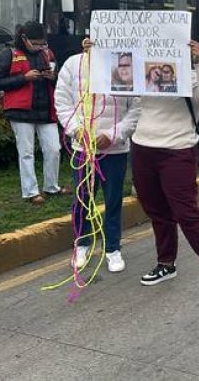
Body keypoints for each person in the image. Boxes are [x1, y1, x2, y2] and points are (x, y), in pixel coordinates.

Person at [131, 40, 199, 298]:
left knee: (186, 212)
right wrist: (96, 55)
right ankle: (166, 263)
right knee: (156, 211)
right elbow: (119, 93)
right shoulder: (142, 71)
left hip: (177, 150)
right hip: (143, 148)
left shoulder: (189, 76)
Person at [55, 39, 141, 273]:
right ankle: (82, 244)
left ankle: (113, 248)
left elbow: (136, 107)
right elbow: (62, 102)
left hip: (114, 151)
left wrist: (115, 134)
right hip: (83, 150)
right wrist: (76, 130)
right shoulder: (73, 65)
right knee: (82, 199)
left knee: (113, 201)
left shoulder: (125, 67)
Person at [0, 21, 69, 204]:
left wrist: (53, 78)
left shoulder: (47, 53)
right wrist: (24, 78)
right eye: (35, 43)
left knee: (53, 149)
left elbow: (58, 81)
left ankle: (51, 186)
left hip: (45, 110)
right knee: (26, 152)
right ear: (24, 38)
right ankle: (30, 192)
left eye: (42, 43)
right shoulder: (9, 53)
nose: (39, 47)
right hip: (20, 111)